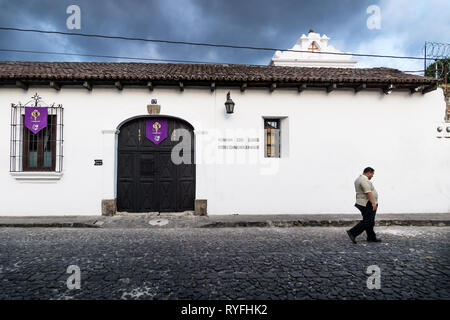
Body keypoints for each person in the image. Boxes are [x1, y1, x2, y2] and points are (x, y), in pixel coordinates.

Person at [346, 167, 382, 243]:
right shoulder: (364, 180)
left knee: (370, 221)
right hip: (367, 203)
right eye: (372, 174)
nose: (372, 176)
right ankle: (352, 232)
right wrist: (373, 203)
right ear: (368, 172)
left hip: (363, 202)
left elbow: (358, 192)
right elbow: (368, 192)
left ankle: (371, 237)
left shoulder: (358, 179)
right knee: (368, 221)